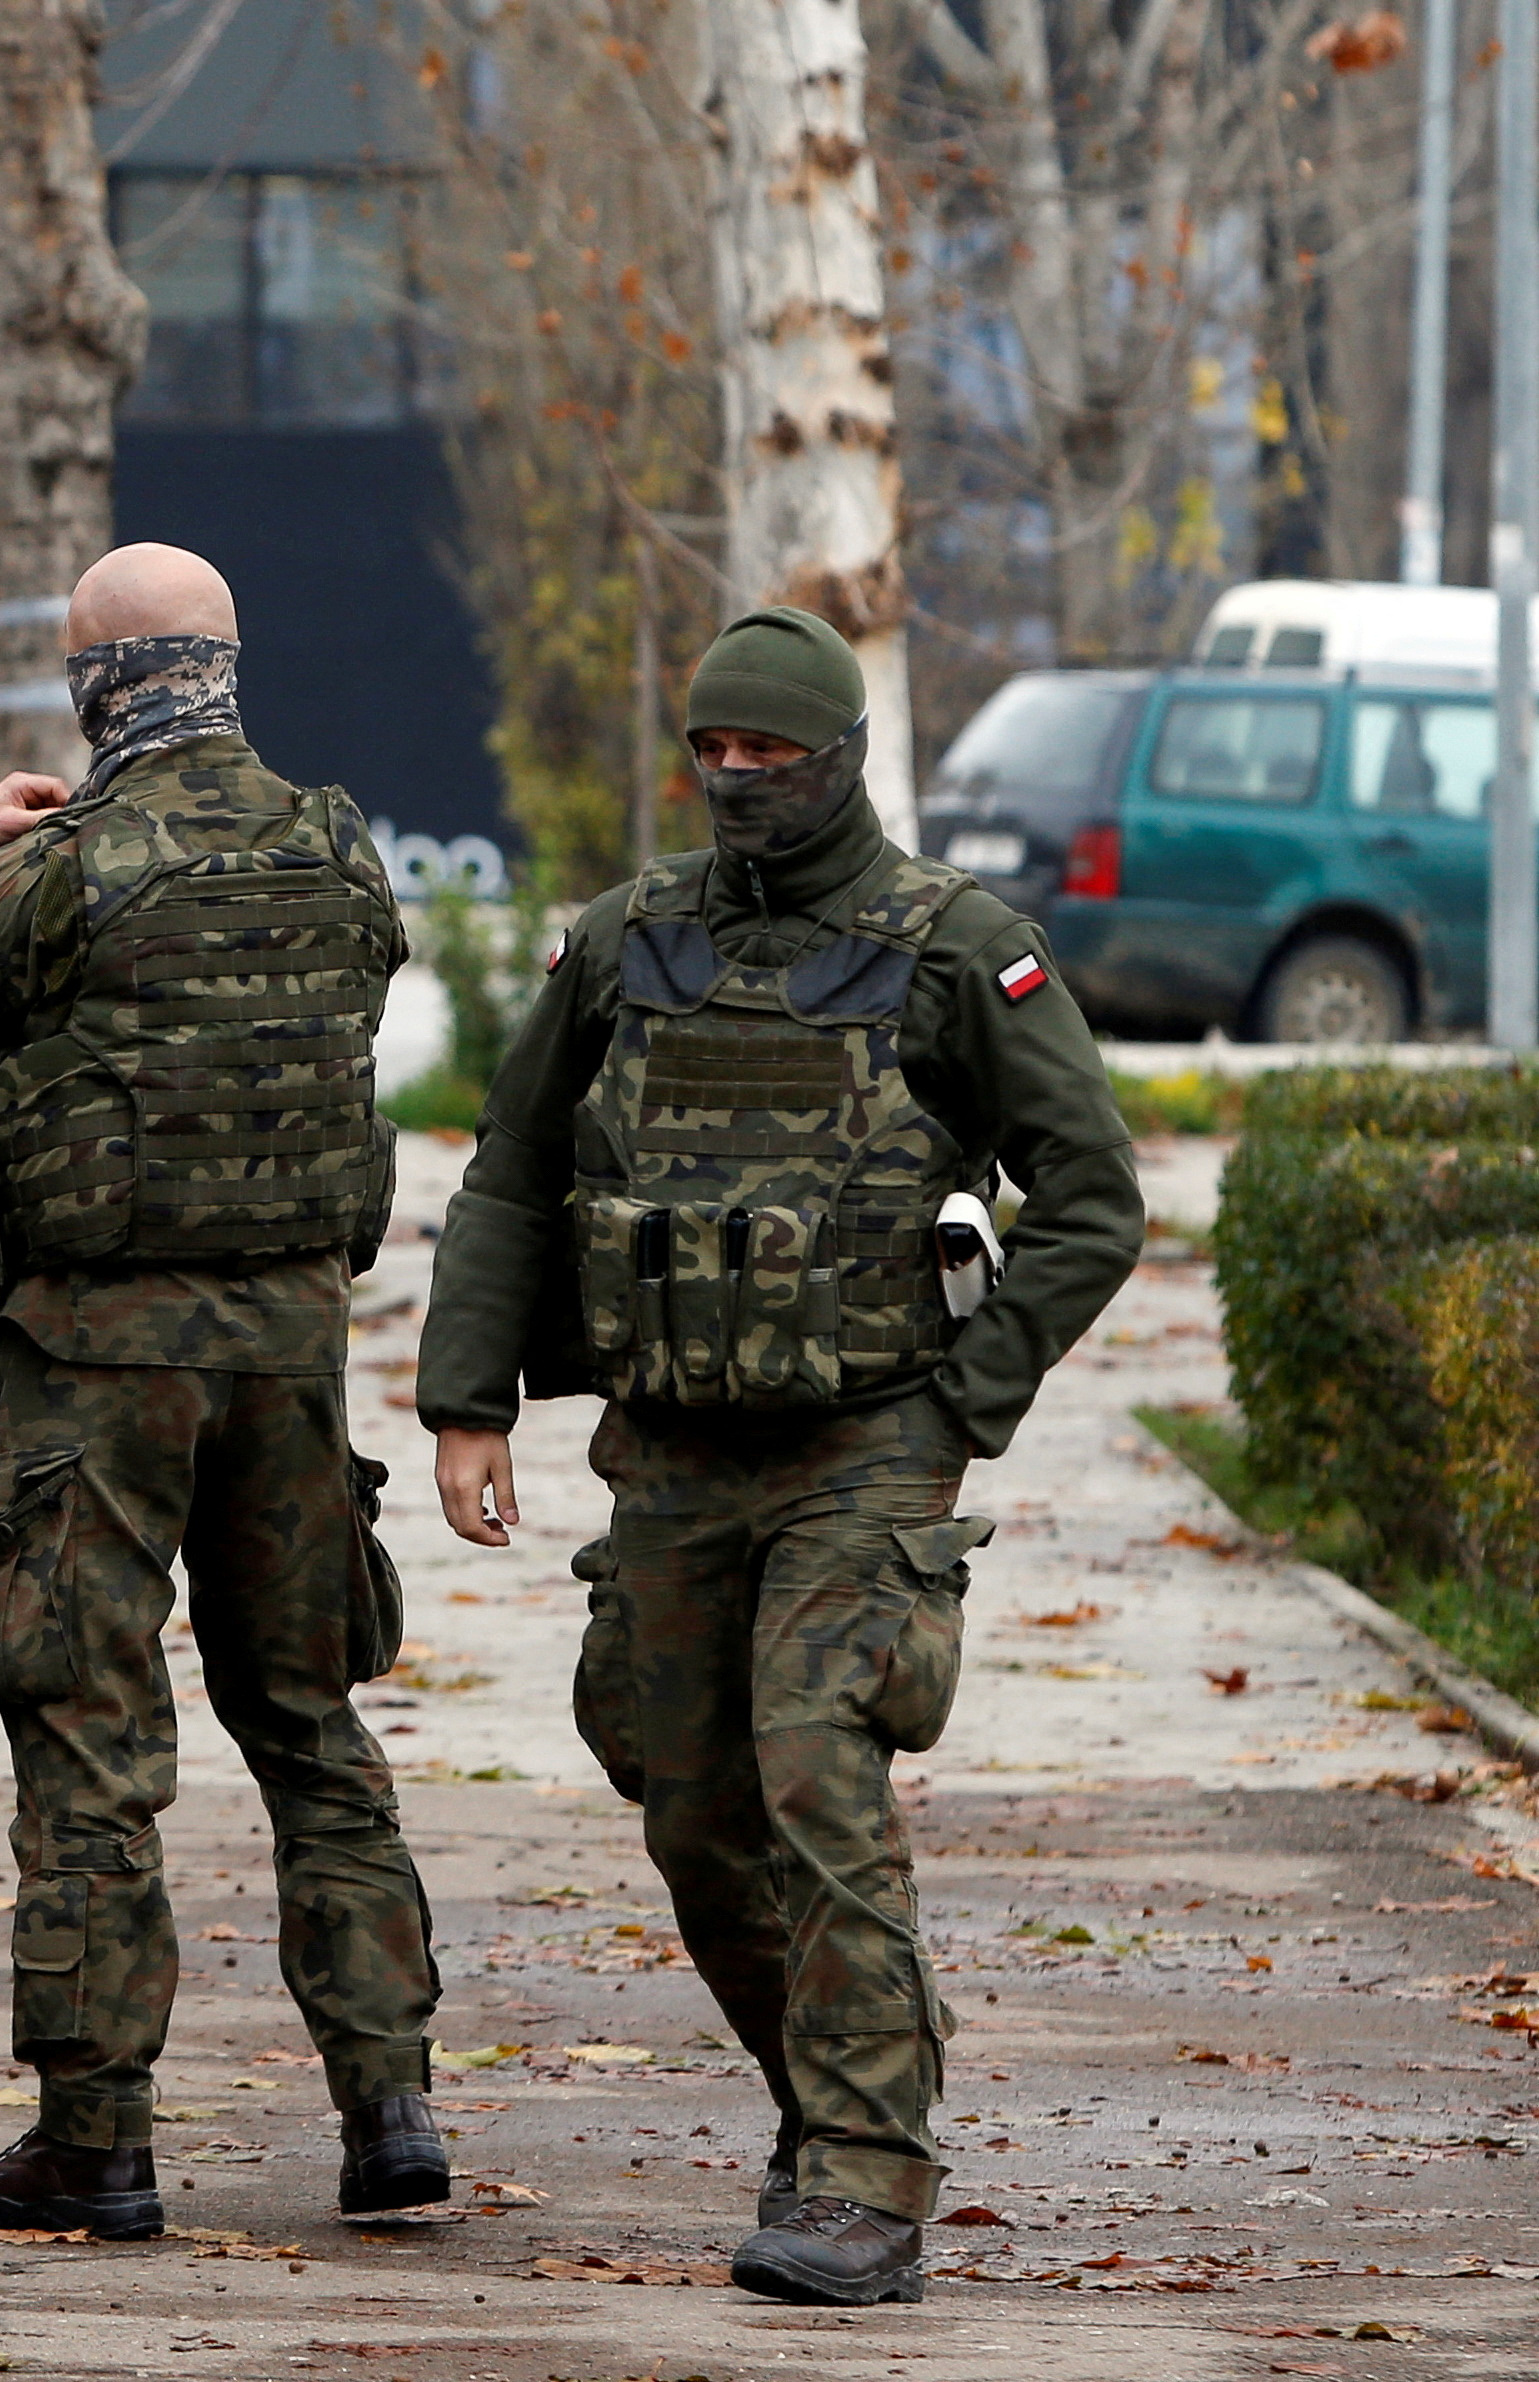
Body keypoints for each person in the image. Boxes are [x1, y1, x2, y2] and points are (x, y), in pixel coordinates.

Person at [414, 606, 1144, 2306]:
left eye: (772, 755)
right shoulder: (621, 937)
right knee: (692, 1813)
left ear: (843, 757)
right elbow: (515, 1174)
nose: (739, 780)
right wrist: (470, 1400)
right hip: (667, 1448)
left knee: (819, 1778)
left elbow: (1093, 1196)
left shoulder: (962, 947)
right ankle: (829, 2105)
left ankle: (870, 2181)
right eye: (712, 752)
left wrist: (968, 1404)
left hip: (867, 1445)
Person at [0, 543, 446, 2244]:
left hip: (97, 1375)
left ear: (94, 688)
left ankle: (97, 2140)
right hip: (293, 1364)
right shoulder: (336, 842)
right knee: (311, 1726)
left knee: (92, 1739)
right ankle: (389, 2111)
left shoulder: (60, 870)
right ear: (229, 667)